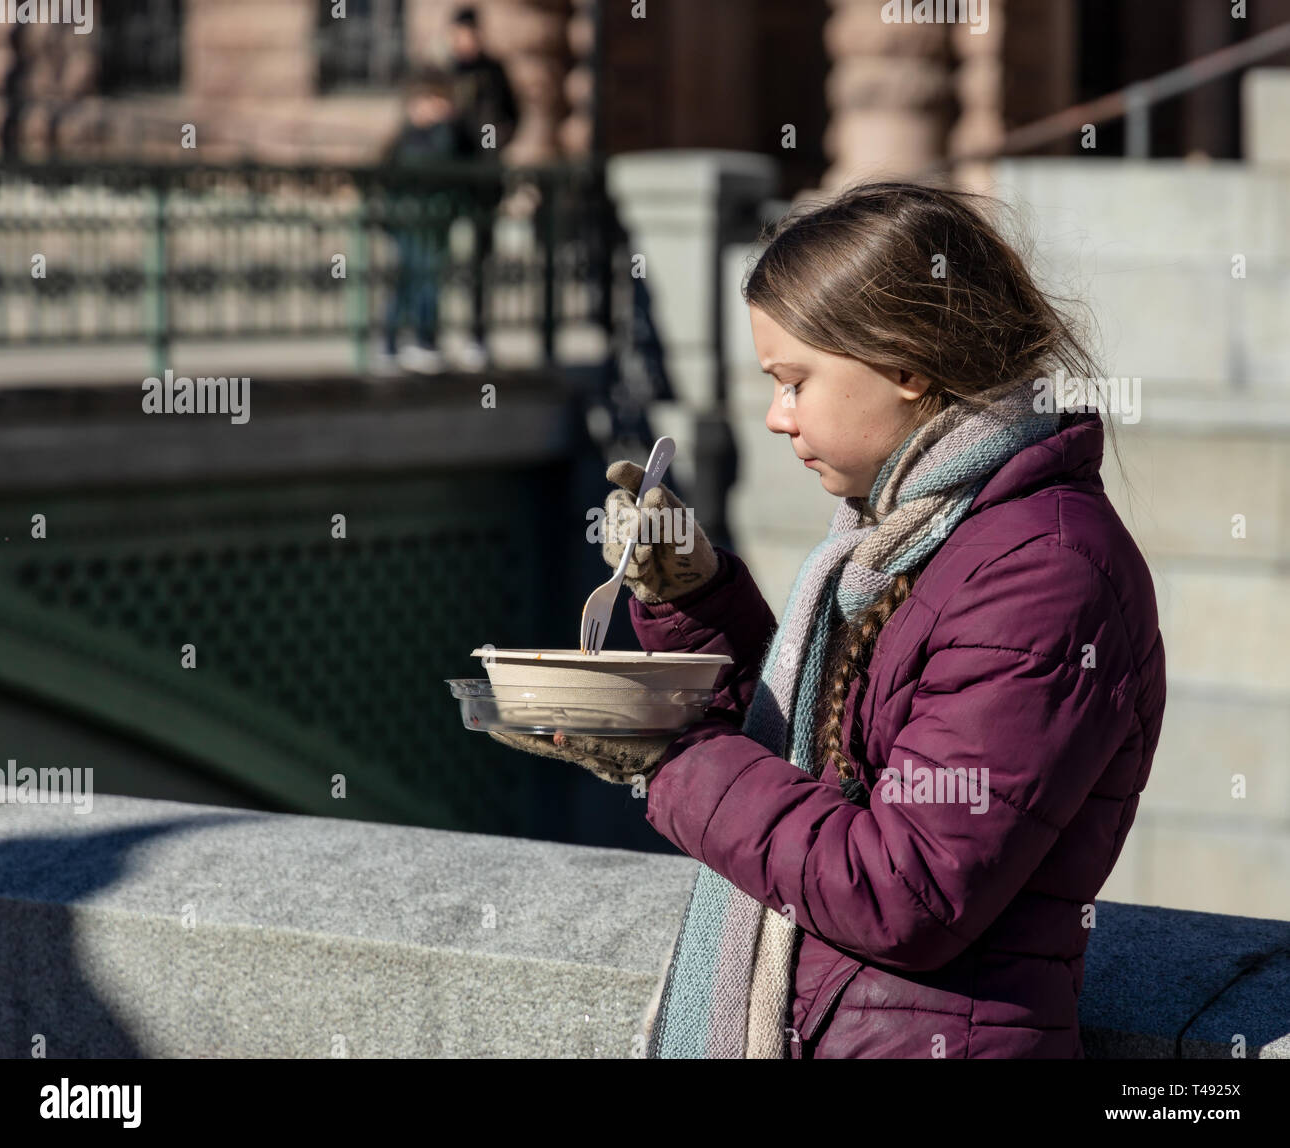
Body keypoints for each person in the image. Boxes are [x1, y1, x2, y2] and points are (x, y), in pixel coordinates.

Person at [489, 181, 1167, 1059]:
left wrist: (667, 755)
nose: (777, 418)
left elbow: (903, 887)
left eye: (793, 381)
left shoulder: (1043, 572)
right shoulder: (910, 533)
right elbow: (809, 758)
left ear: (906, 364)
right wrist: (695, 603)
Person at [376, 66, 474, 375]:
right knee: (415, 280)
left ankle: (411, 342)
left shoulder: (443, 133)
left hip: (433, 219)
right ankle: (410, 342)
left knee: (422, 279)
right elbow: (419, 167)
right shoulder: (410, 137)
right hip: (411, 220)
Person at [444, 4, 521, 372]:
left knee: (480, 260)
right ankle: (428, 337)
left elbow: (513, 115)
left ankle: (477, 334)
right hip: (448, 178)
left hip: (484, 180)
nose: (465, 41)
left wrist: (497, 142)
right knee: (437, 257)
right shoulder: (446, 72)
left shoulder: (493, 72)